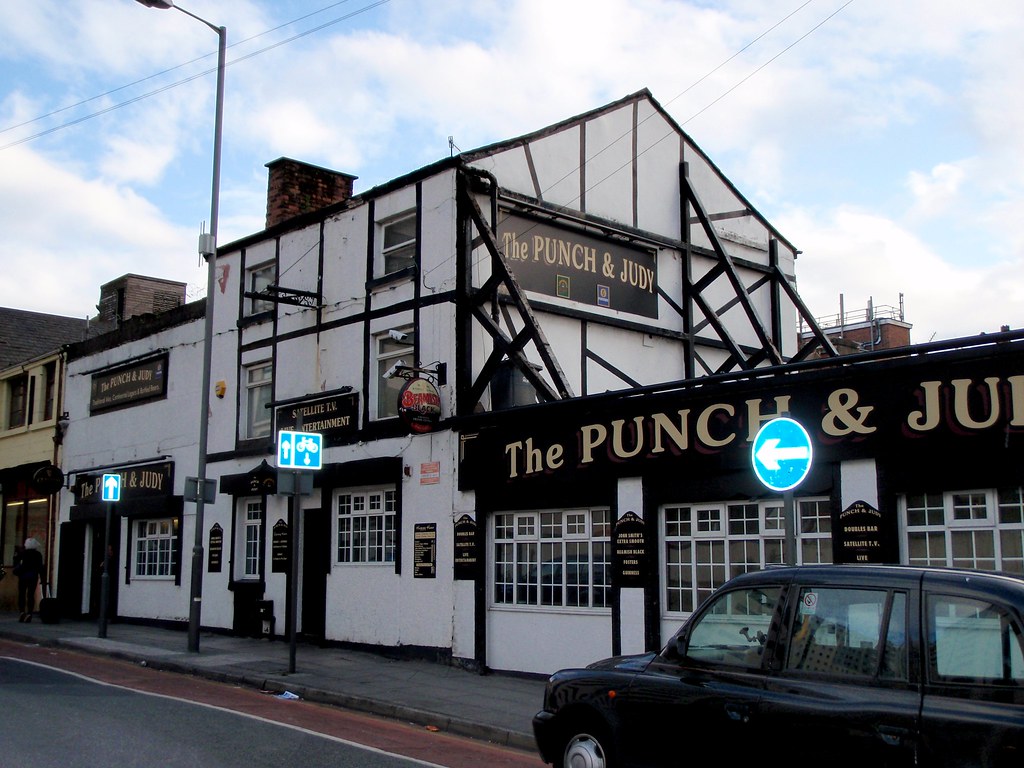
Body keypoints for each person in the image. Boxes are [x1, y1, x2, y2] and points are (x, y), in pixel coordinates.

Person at [14, 538, 44, 622]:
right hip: (33, 577)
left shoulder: (22, 553)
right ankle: (29, 613)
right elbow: (40, 567)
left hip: (23, 576)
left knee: (22, 594)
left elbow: (16, 563)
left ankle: (22, 611)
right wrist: (42, 578)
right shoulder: (38, 554)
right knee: (30, 595)